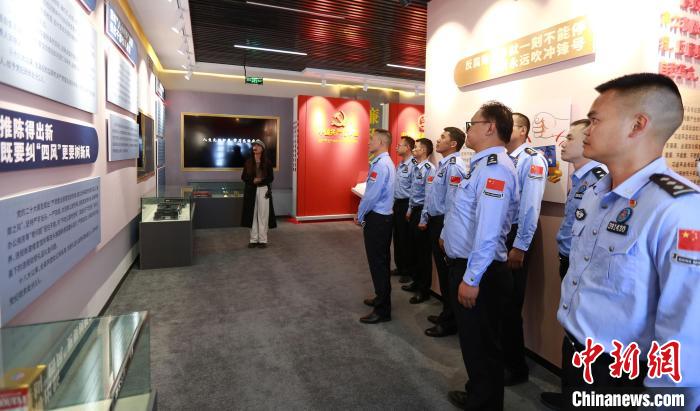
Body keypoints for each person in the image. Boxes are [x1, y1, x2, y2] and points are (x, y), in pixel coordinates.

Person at [553, 73, 700, 409]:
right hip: (578, 352)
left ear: (637, 125)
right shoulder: (597, 192)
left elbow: (686, 325)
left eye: (594, 120)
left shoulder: (678, 208)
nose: (586, 131)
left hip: (625, 372)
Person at [441, 101, 518, 411]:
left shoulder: (495, 169)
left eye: (471, 124)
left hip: (480, 273)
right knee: (475, 344)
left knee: (482, 346)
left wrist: (471, 278)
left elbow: (488, 231)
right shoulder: (481, 166)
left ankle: (484, 404)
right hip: (470, 266)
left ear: (490, 127)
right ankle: (478, 393)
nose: (468, 129)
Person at [502, 112, 548, 386]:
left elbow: (531, 206)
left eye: (511, 125)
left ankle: (515, 367)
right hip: (502, 235)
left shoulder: (532, 159)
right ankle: (503, 358)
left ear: (522, 131)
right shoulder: (506, 158)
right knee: (501, 301)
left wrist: (520, 246)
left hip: (516, 235)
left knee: (510, 304)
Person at [420, 127, 467, 338]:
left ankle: (450, 321)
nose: (438, 140)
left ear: (453, 144)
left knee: (448, 275)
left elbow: (452, 203)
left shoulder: (455, 166)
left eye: (443, 137)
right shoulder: (444, 165)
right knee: (442, 271)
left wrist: (444, 233)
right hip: (436, 221)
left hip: (444, 224)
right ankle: (447, 313)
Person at [555, 119, 607, 280]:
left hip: (582, 265)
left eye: (570, 138)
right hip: (568, 258)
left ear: (588, 139)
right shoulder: (580, 178)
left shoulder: (600, 179)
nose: (563, 144)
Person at [356, 129, 396, 324]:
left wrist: (360, 214)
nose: (368, 142)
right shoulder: (385, 162)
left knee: (378, 264)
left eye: (371, 139)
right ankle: (382, 299)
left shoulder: (380, 165)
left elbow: (371, 196)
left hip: (378, 219)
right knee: (381, 262)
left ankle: (382, 310)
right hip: (383, 219)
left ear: (381, 142)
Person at [401, 138, 434, 304]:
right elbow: (413, 192)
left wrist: (423, 218)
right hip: (414, 211)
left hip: (422, 212)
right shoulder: (416, 167)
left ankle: (424, 290)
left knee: (423, 254)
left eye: (417, 148)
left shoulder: (429, 169)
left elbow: (428, 196)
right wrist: (409, 210)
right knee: (413, 249)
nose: (414, 150)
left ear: (424, 150)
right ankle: (416, 281)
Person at [241, 139, 276, 248]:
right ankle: (253, 239)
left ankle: (263, 240)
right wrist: (253, 180)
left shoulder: (267, 162)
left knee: (263, 215)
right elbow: (243, 177)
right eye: (254, 145)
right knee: (252, 214)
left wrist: (261, 181)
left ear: (262, 148)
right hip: (251, 190)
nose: (255, 147)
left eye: (257, 145)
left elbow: (271, 178)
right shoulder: (248, 162)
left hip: (263, 189)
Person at [391, 136, 416, 285]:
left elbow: (415, 189)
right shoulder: (400, 165)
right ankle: (400, 266)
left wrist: (410, 208)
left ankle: (408, 270)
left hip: (407, 204)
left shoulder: (414, 165)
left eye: (399, 145)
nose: (396, 147)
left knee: (406, 239)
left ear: (408, 148)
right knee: (398, 237)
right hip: (398, 204)